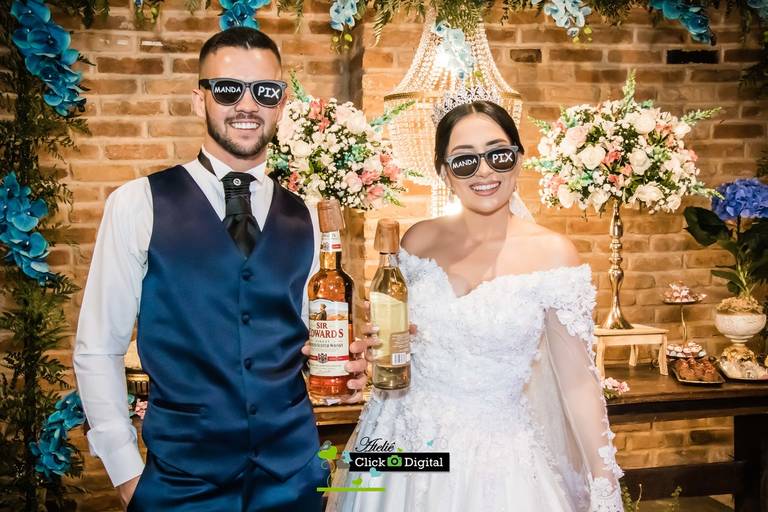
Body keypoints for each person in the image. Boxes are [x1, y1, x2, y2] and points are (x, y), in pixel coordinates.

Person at [73, 27, 373, 512]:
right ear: (200, 100)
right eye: (229, 89)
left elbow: (310, 341)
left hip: (294, 478)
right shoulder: (138, 204)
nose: (247, 105)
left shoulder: (307, 217)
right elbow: (98, 347)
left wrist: (347, 366)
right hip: (182, 483)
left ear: (281, 103)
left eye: (265, 91)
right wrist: (126, 472)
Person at [328, 87, 624, 511]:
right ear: (444, 172)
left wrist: (604, 485)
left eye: (498, 154)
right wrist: (380, 343)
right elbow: (394, 344)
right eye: (465, 160)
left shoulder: (554, 255)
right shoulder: (417, 242)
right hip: (399, 445)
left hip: (497, 463)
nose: (484, 171)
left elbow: (578, 383)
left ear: (518, 159)